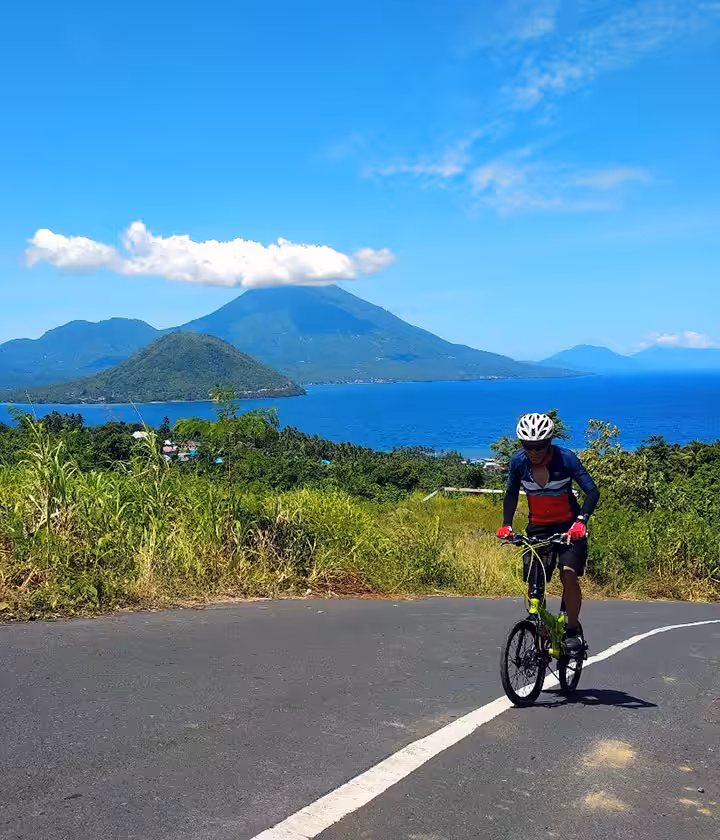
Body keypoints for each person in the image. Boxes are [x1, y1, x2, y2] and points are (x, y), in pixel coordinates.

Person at [496, 413, 599, 654]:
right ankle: (542, 629)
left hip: (569, 528)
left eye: (539, 446)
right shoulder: (518, 462)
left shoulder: (566, 459)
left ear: (549, 442)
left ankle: (571, 630)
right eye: (527, 446)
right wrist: (507, 524)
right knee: (534, 583)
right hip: (538, 529)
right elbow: (511, 493)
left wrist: (581, 522)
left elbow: (592, 492)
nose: (533, 451)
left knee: (568, 575)